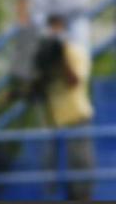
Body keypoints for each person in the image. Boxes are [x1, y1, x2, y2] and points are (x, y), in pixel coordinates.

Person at [40, 14, 95, 201]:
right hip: (52, 116)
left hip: (76, 114)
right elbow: (38, 83)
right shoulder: (44, 54)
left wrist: (62, 54)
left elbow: (74, 82)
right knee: (49, 166)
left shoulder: (76, 51)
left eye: (57, 28)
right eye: (51, 28)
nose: (54, 33)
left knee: (79, 163)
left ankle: (82, 197)